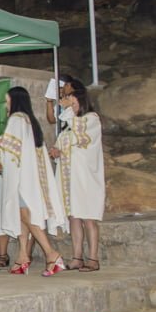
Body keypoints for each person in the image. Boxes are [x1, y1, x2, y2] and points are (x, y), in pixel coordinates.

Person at [0, 87, 68, 276]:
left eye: (7, 100)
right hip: (28, 177)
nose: (5, 104)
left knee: (26, 216)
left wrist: (0, 143)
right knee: (21, 216)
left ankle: (52, 254)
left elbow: (14, 147)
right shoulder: (29, 120)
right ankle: (23, 256)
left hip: (20, 178)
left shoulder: (16, 119)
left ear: (14, 100)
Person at [49, 83, 104, 272]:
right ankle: (77, 257)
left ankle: (93, 258)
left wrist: (68, 111)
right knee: (74, 217)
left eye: (72, 104)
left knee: (88, 218)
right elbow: (62, 145)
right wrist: (55, 151)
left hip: (85, 178)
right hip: (69, 179)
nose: (70, 107)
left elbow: (83, 139)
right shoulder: (68, 128)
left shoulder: (91, 119)